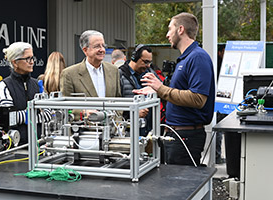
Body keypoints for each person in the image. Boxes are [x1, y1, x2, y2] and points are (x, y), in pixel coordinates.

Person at [134, 12, 215, 166]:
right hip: (177, 134)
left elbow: (198, 99)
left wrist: (161, 89)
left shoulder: (197, 57)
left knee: (180, 187)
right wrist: (157, 91)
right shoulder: (186, 58)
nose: (167, 34)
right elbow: (178, 94)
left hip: (186, 136)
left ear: (181, 30)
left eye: (170, 29)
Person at [0, 42, 51, 145]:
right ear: (15, 63)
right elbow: (9, 118)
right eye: (27, 59)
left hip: (40, 144)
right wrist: (36, 113)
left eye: (32, 58)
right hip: (18, 147)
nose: (32, 62)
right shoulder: (4, 85)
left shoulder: (37, 84)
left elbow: (48, 114)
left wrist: (25, 115)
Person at [60, 30, 121, 98]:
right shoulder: (69, 74)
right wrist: (84, 109)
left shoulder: (113, 70)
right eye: (97, 46)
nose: (102, 50)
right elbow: (67, 106)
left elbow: (118, 99)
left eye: (103, 46)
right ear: (85, 50)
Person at [119, 44, 162, 136]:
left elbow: (162, 91)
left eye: (150, 62)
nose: (148, 65)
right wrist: (133, 113)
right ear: (134, 58)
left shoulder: (150, 73)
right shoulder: (120, 75)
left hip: (149, 130)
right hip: (130, 130)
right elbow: (116, 104)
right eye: (145, 62)